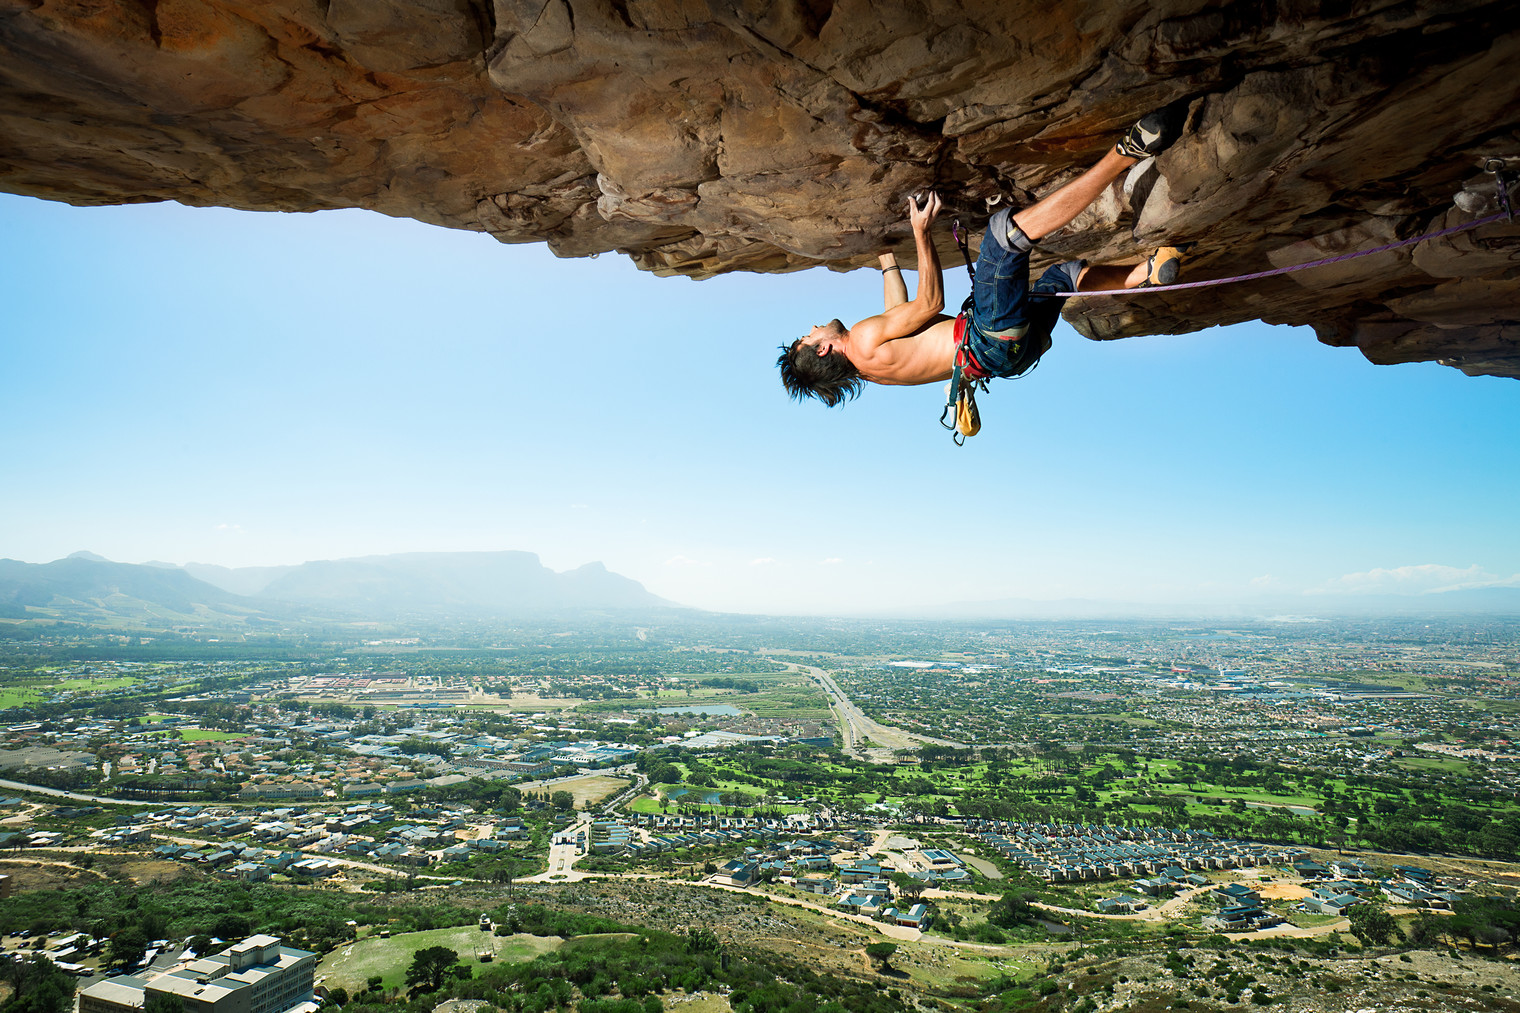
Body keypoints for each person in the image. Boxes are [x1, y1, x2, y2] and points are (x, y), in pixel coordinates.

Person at [777, 110, 1187, 407]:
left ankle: (1144, 274)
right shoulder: (860, 339)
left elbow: (901, 316)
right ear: (824, 350)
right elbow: (929, 305)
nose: (814, 326)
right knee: (1002, 237)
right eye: (809, 335)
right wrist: (921, 233)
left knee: (1063, 276)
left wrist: (887, 257)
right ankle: (1126, 153)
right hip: (987, 333)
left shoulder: (873, 370)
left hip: (1009, 358)